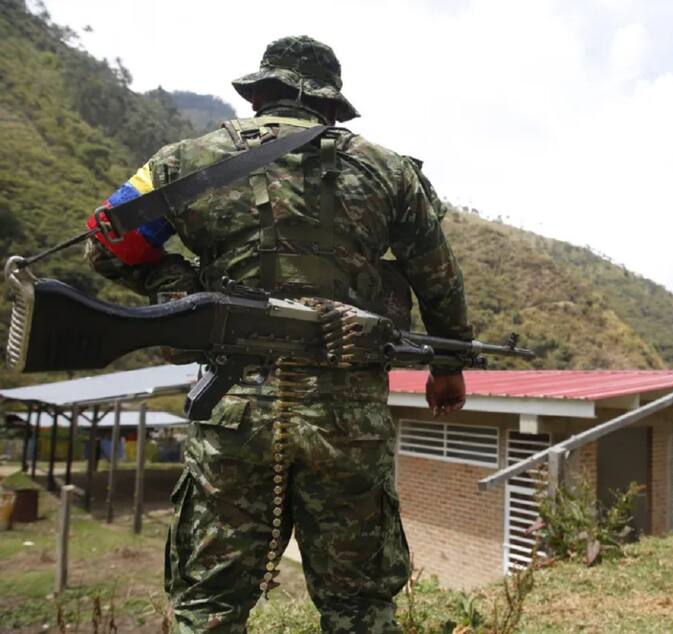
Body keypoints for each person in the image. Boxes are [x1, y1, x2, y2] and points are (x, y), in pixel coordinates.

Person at [84, 36, 472, 633]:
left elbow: (105, 241)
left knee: (210, 608)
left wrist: (182, 287)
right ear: (331, 106)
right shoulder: (390, 171)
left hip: (231, 408)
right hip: (348, 419)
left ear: (260, 93)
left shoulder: (185, 162)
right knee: (361, 607)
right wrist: (447, 366)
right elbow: (437, 279)